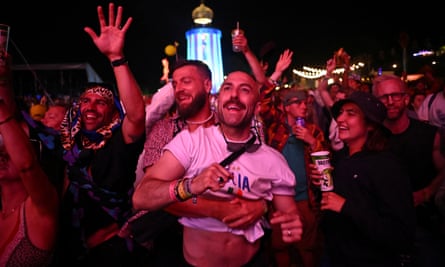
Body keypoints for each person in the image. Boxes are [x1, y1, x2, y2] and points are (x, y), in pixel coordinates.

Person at [133, 70, 303, 267]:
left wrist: (290, 224)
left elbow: (288, 215)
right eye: (228, 88)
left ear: (257, 107)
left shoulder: (274, 160)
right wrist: (191, 186)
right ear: (217, 100)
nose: (234, 95)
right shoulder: (190, 142)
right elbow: (141, 197)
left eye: (244, 90)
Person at [51, 3, 146, 266]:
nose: (91, 107)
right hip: (67, 246)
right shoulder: (65, 143)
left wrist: (117, 58)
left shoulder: (119, 141)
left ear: (114, 112)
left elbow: (137, 116)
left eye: (101, 102)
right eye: (85, 101)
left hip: (111, 250)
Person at [310, 91, 416, 266]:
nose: (340, 119)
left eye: (351, 113)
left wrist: (345, 206)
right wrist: (320, 185)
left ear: (370, 125)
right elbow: (335, 202)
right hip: (335, 255)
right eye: (341, 113)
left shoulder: (386, 166)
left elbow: (401, 234)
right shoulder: (340, 158)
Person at [372, 74, 445, 267]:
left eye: (395, 95)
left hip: (423, 226)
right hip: (383, 228)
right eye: (383, 97)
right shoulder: (370, 139)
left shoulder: (428, 134)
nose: (389, 101)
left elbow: (443, 170)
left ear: (406, 98)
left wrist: (428, 191)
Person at [0, 52, 60, 266]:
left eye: (11, 151)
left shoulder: (42, 206)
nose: (3, 154)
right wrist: (3, 79)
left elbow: (26, 166)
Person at [259, 86, 328, 267]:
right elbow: (263, 103)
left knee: (307, 248)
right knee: (280, 248)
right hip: (278, 202)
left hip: (306, 200)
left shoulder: (313, 131)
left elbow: (325, 166)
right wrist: (277, 74)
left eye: (305, 102)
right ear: (285, 107)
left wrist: (312, 142)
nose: (304, 106)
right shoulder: (274, 128)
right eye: (298, 102)